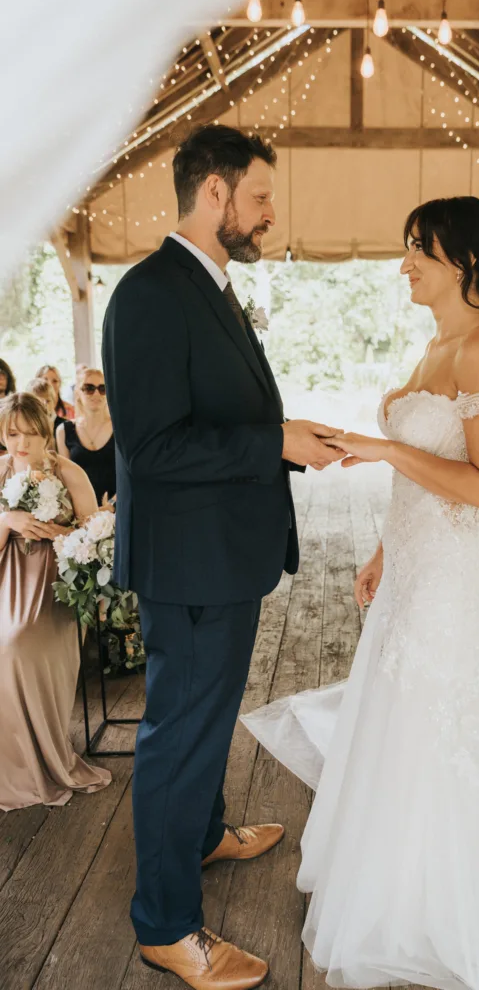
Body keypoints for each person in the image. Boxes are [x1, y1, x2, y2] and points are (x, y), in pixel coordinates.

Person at [243, 196, 479, 990]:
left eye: (417, 253)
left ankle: (446, 896)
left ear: (464, 263)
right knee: (396, 714)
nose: (403, 265)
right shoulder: (436, 343)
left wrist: (380, 449)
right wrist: (381, 550)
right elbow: (424, 483)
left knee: (438, 717)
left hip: (454, 584)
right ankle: (392, 875)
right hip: (412, 571)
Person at [102, 124, 344, 990]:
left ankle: (201, 837)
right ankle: (166, 927)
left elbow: (214, 415)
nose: (270, 212)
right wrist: (271, 441)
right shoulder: (149, 293)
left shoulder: (207, 285)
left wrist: (285, 439)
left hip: (219, 558)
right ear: (214, 192)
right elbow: (153, 447)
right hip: (189, 565)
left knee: (202, 724)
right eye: (260, 195)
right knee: (177, 737)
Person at [0, 393, 111, 811]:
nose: (21, 444)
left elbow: (94, 535)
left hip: (57, 585)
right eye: (13, 435)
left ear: (46, 431)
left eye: (30, 433)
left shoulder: (67, 470)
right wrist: (8, 521)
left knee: (15, 645)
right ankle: (13, 765)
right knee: (5, 644)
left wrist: (56, 532)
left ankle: (45, 758)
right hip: (7, 579)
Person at [56, 367, 116, 507]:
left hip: (117, 507)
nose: (96, 393)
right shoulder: (64, 431)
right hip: (80, 510)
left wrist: (111, 504)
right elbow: (65, 479)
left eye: (102, 388)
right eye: (89, 388)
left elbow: (128, 474)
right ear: (78, 392)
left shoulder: (119, 428)